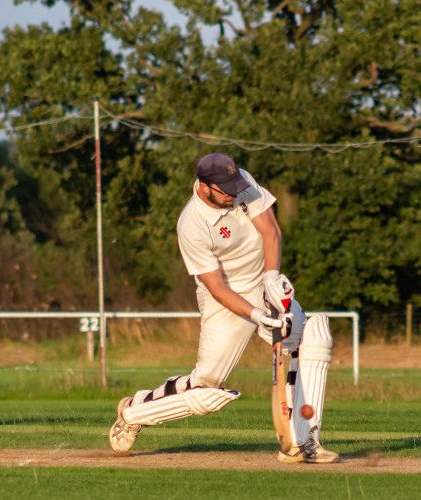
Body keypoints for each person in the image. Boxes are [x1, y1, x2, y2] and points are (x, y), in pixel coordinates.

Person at [109, 152, 338, 464]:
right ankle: (135, 411)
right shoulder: (191, 223)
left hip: (263, 285)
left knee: (314, 335)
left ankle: (304, 440)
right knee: (206, 388)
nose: (233, 193)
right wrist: (257, 315)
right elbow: (216, 287)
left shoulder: (239, 183)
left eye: (235, 186)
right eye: (225, 189)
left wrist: (271, 277)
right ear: (204, 187)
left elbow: (271, 230)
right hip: (226, 301)